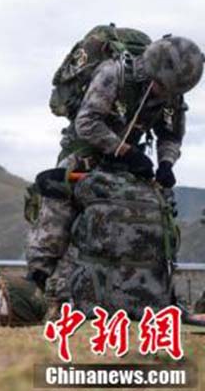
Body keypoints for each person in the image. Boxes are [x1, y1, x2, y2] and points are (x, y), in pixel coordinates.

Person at [26, 35, 203, 311]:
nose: (163, 94)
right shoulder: (114, 74)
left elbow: (171, 135)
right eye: (160, 87)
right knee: (58, 207)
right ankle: (36, 282)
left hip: (126, 162)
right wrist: (125, 151)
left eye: (170, 91)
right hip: (87, 151)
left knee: (153, 210)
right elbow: (87, 123)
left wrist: (166, 163)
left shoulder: (172, 91)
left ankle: (139, 290)